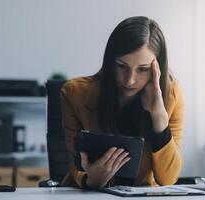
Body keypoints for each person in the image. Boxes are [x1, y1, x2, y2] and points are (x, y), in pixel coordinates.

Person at [60, 16, 184, 189]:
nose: (130, 80)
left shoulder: (171, 96)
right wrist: (92, 180)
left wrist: (159, 116)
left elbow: (168, 178)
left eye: (143, 69)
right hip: (88, 195)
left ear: (157, 68)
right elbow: (76, 164)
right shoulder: (75, 94)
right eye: (121, 66)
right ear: (110, 61)